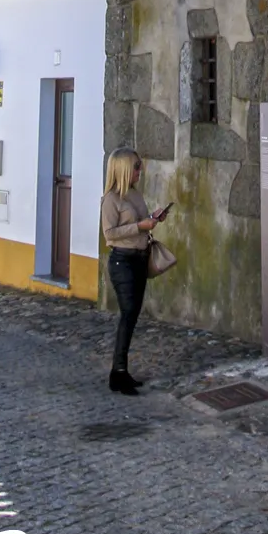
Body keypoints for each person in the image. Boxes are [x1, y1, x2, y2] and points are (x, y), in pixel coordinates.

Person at [100, 147, 169, 393]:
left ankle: (121, 371)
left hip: (140, 258)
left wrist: (153, 218)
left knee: (133, 315)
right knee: (128, 314)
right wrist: (139, 226)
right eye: (136, 166)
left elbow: (139, 223)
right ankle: (117, 372)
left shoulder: (135, 195)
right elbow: (110, 234)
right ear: (124, 169)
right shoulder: (111, 199)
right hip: (122, 262)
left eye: (140, 165)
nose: (140, 170)